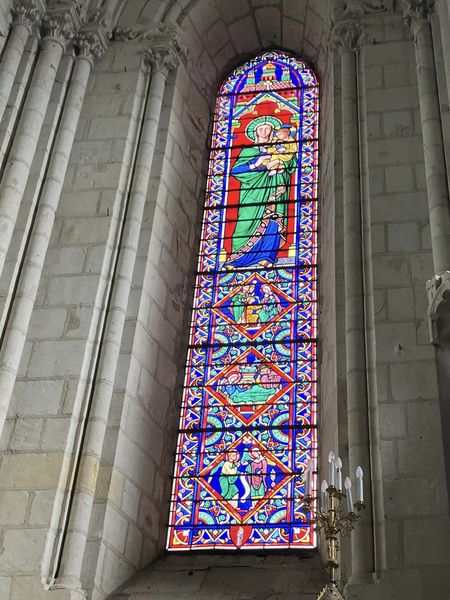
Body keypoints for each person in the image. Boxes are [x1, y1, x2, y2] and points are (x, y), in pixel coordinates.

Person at [226, 118, 297, 269]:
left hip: (274, 189)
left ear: (272, 131)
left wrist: (282, 162)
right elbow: (235, 171)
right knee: (245, 223)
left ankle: (267, 257)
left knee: (273, 220)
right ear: (255, 131)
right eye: (261, 129)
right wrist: (256, 164)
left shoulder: (280, 147)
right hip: (252, 193)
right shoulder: (248, 151)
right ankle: (237, 259)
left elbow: (292, 163)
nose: (264, 132)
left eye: (267, 128)